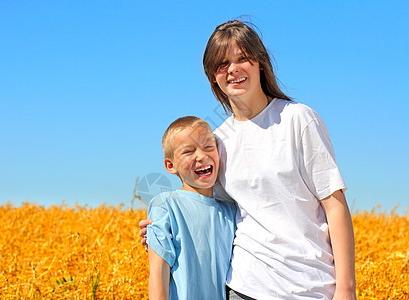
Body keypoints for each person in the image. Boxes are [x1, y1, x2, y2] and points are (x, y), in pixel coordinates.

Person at [141, 20, 356, 300]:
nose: (233, 69)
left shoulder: (298, 119)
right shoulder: (216, 141)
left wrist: (346, 289)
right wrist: (163, 227)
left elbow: (334, 204)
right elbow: (206, 206)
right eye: (222, 64)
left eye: (242, 58)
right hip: (244, 287)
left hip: (310, 287)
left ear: (260, 64)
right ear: (212, 77)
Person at [146, 116, 237, 300]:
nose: (202, 156)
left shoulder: (231, 211)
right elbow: (158, 271)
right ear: (171, 166)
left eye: (209, 147)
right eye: (188, 151)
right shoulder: (165, 205)